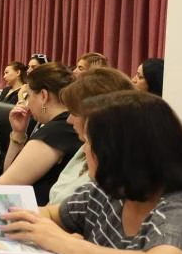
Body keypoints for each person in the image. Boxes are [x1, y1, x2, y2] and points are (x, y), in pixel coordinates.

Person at [3, 91, 182, 254]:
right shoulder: (108, 191)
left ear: (116, 151)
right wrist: (19, 220)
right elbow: (51, 215)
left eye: (88, 143)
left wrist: (64, 243)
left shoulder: (179, 205)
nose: (85, 151)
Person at [0, 63, 81, 205]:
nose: (27, 103)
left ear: (43, 96)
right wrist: (18, 133)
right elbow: (9, 172)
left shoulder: (55, 132)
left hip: (36, 210)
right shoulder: (62, 127)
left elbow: (5, 186)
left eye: (28, 96)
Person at [48, 67, 135, 204]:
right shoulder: (86, 147)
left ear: (97, 116)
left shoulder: (117, 173)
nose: (69, 120)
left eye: (74, 113)